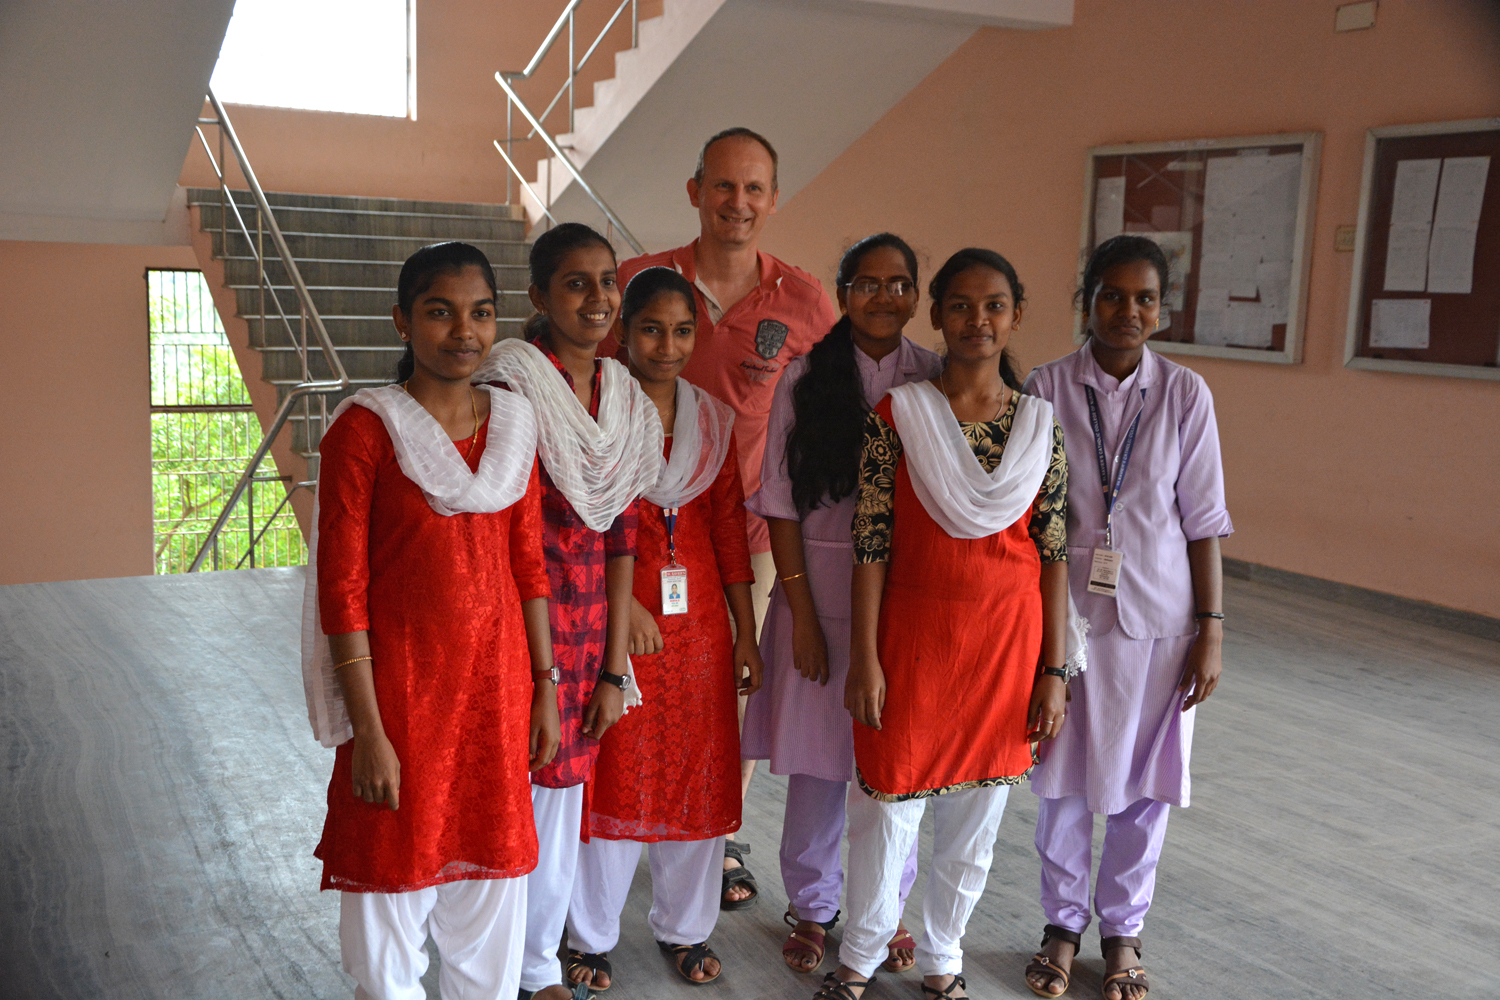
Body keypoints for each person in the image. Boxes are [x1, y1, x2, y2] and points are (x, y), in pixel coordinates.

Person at [302, 241, 559, 999]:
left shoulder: (515, 426)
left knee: (490, 910)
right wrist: (370, 732)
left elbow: (528, 568)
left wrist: (544, 687)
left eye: (480, 313)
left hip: (495, 697)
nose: (463, 332)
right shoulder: (367, 430)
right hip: (402, 706)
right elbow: (340, 591)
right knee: (389, 908)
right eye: (439, 312)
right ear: (401, 323)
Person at [823, 248, 1072, 1000]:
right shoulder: (900, 416)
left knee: (975, 818)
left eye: (994, 305)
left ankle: (943, 960)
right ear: (936, 317)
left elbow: (1054, 552)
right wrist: (864, 657)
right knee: (885, 807)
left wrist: (1053, 672)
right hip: (913, 645)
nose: (977, 320)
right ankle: (859, 958)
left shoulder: (1040, 427)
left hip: (1006, 648)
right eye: (960, 305)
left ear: (1016, 315)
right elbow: (871, 542)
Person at [615, 126, 839, 908]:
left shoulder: (805, 300)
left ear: (772, 199)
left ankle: (717, 832)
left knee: (729, 689)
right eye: (722, 185)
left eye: (753, 189)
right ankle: (622, 817)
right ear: (695, 191)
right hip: (637, 526)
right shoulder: (639, 280)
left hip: (751, 530)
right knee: (632, 671)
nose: (736, 203)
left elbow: (829, 407)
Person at [1022, 235, 1231, 1000]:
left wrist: (1211, 628)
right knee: (1062, 780)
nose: (1128, 311)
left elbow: (1204, 519)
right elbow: (1029, 515)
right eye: (1112, 295)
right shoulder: (1043, 389)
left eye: (1144, 298)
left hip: (1162, 623)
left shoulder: (1185, 395)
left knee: (1146, 786)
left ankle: (1122, 932)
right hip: (1067, 624)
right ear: (1088, 300)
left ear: (1162, 310)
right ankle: (1061, 926)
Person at [470, 223, 662, 1000]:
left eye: (607, 281)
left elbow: (624, 542)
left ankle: (537, 968)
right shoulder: (510, 384)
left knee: (559, 805)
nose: (597, 298)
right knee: (502, 797)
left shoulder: (619, 395)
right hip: (514, 624)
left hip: (586, 638)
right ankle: (483, 966)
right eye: (576, 283)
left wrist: (615, 668)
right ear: (538, 298)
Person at [741, 234, 942, 976]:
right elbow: (780, 505)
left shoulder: (935, 377)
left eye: (899, 283)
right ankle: (814, 907)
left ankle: (881, 908)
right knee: (819, 768)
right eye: (866, 282)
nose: (883, 297)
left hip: (906, 599)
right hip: (817, 594)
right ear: (843, 290)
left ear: (916, 294)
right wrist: (795, 614)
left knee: (894, 765)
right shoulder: (804, 378)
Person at [565, 266, 766, 990]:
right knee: (618, 774)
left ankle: (686, 929)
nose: (667, 344)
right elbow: (585, 524)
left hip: (703, 628)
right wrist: (628, 613)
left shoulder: (713, 419)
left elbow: (730, 538)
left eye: (683, 330)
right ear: (622, 332)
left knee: (698, 776)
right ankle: (588, 934)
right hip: (622, 623)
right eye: (651, 328)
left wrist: (746, 632)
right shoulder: (596, 412)